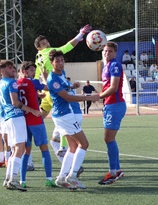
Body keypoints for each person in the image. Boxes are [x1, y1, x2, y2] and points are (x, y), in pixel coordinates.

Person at [34, 25, 91, 161]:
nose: (47, 44)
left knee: (38, 119)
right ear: (39, 48)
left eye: (46, 42)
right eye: (43, 44)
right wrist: (80, 35)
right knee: (66, 115)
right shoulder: (50, 53)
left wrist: (38, 90)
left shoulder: (37, 57)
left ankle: (30, 139)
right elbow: (67, 47)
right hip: (56, 91)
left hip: (47, 92)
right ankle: (63, 147)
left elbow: (36, 75)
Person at [47, 50, 99, 190]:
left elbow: (66, 87)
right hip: (64, 116)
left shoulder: (62, 74)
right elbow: (68, 98)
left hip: (63, 115)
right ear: (52, 63)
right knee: (84, 143)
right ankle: (73, 175)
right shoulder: (52, 79)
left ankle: (62, 178)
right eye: (57, 61)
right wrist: (89, 97)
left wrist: (72, 86)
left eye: (62, 60)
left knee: (73, 147)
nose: (61, 63)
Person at [0, 60, 41, 192]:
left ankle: (8, 178)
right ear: (3, 70)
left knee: (15, 150)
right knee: (20, 149)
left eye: (13, 68)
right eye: (10, 68)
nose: (13, 70)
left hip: (9, 119)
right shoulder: (11, 83)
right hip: (16, 117)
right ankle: (13, 179)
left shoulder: (0, 84)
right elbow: (15, 102)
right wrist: (32, 110)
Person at [17, 61, 57, 188]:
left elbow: (24, 96)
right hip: (35, 120)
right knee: (44, 150)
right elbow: (48, 87)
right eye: (31, 71)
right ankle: (49, 179)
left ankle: (22, 181)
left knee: (26, 152)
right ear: (24, 72)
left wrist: (36, 95)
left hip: (24, 120)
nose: (34, 73)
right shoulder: (33, 82)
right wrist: (45, 78)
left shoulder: (17, 83)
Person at [98, 42, 126, 185]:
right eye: (105, 51)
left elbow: (114, 88)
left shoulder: (115, 65)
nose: (106, 53)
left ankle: (114, 172)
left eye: (109, 51)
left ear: (115, 53)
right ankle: (116, 170)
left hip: (115, 105)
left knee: (108, 139)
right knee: (109, 139)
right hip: (110, 105)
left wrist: (98, 96)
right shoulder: (106, 66)